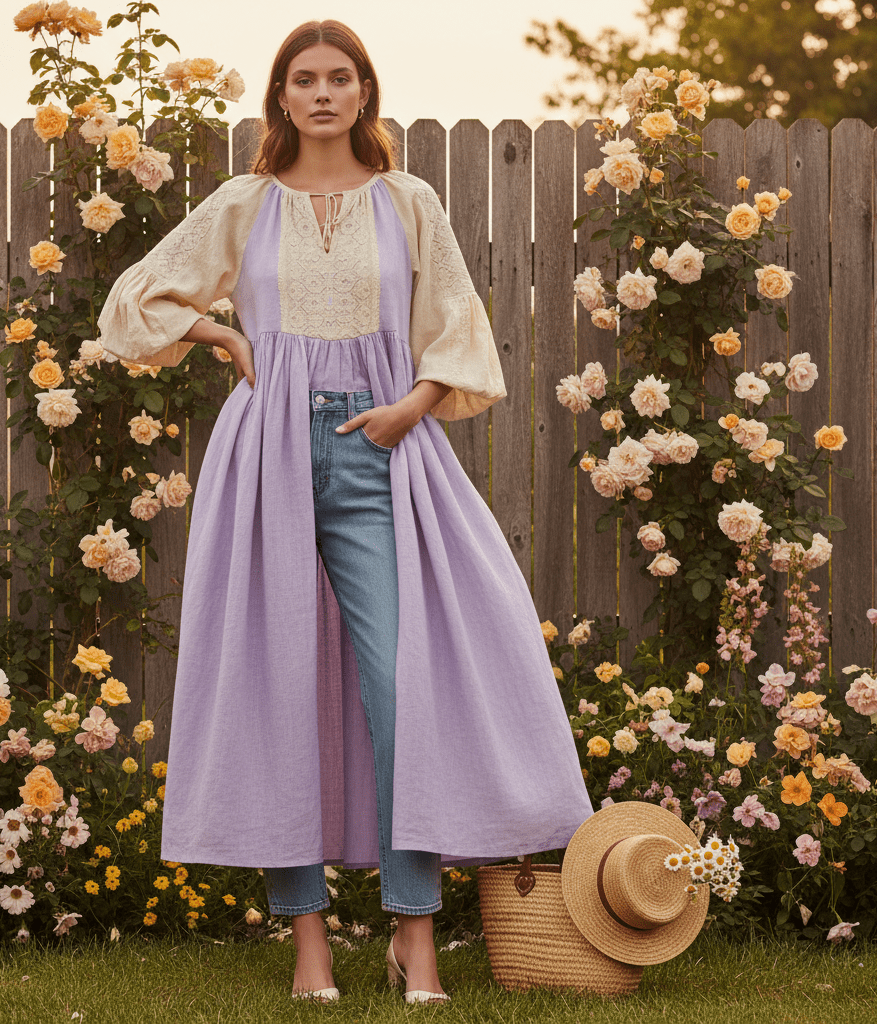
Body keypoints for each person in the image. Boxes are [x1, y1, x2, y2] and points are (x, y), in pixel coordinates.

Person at [96, 18, 594, 1006]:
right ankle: (309, 948)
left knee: (401, 685)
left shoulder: (407, 201)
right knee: (279, 692)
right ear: (280, 99)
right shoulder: (242, 205)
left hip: (382, 451)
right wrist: (221, 336)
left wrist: (409, 408)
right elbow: (131, 302)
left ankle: (416, 935)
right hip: (266, 455)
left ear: (364, 92)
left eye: (340, 77)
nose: (322, 93)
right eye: (303, 79)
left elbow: (457, 331)